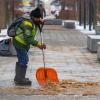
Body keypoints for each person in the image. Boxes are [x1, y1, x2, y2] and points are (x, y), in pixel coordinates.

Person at [13, 7, 46, 86]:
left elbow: (31, 34)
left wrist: (40, 23)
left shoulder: (32, 21)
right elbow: (29, 39)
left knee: (21, 59)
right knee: (24, 59)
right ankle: (21, 79)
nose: (39, 19)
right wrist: (39, 45)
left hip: (22, 43)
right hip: (20, 43)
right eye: (38, 18)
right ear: (33, 17)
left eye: (40, 18)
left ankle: (18, 77)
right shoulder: (27, 24)